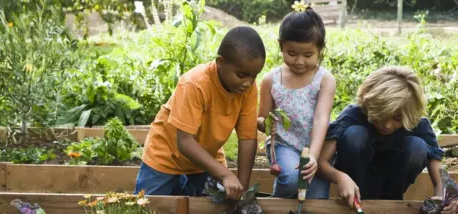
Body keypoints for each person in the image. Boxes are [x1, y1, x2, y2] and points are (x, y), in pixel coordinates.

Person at [134, 26, 266, 200]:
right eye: (241, 75)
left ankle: (181, 185)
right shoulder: (195, 84)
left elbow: (248, 138)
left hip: (206, 159)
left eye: (254, 76)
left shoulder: (246, 89)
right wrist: (226, 175)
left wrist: (241, 188)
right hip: (167, 154)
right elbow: (185, 142)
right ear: (220, 62)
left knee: (211, 212)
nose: (248, 83)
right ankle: (178, 183)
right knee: (146, 210)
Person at [312, 66, 457, 214]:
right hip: (355, 186)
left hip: (393, 185)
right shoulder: (353, 115)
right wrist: (341, 178)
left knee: (418, 146)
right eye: (381, 116)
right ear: (369, 106)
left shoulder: (417, 124)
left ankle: (392, 203)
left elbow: (438, 169)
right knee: (355, 135)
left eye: (397, 118)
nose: (387, 125)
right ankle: (356, 200)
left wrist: (443, 197)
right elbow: (320, 163)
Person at [257, 5, 336, 199]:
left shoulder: (324, 80)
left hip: (317, 145)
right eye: (292, 53)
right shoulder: (271, 80)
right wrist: (267, 123)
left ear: (320, 49)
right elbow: (260, 119)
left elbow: (320, 118)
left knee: (316, 199)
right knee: (292, 179)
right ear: (281, 46)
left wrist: (315, 157)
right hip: (285, 145)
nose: (299, 61)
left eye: (308, 55)